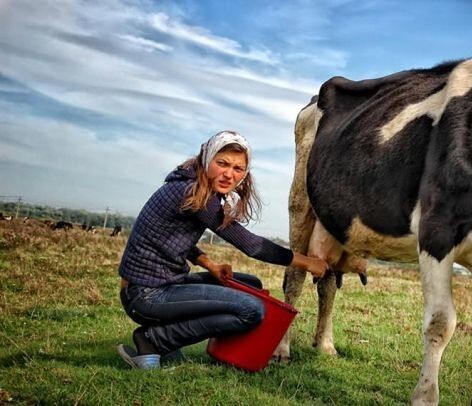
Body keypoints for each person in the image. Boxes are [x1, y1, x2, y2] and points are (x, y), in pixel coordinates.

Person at [116, 130, 328, 369]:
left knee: (251, 284)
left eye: (238, 169)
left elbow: (169, 239)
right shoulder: (193, 193)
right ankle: (154, 340)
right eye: (222, 164)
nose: (229, 174)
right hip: (146, 295)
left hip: (158, 286)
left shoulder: (191, 187)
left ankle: (181, 341)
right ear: (207, 160)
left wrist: (210, 265)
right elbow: (251, 245)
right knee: (251, 309)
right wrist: (306, 262)